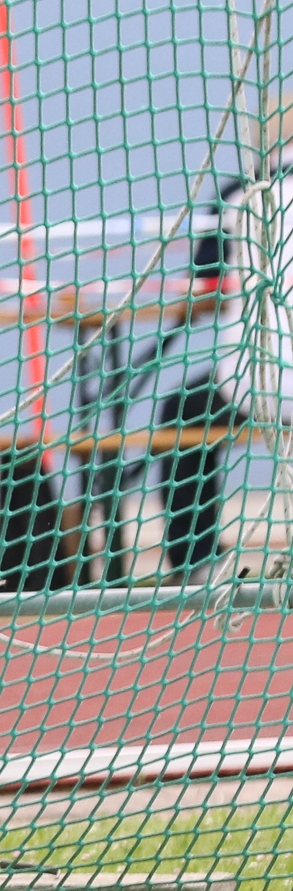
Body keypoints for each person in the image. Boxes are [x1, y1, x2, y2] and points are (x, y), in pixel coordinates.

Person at [153, 156, 284, 582]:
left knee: (182, 411)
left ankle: (197, 562)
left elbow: (204, 286)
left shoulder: (237, 193)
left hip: (252, 384)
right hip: (260, 382)